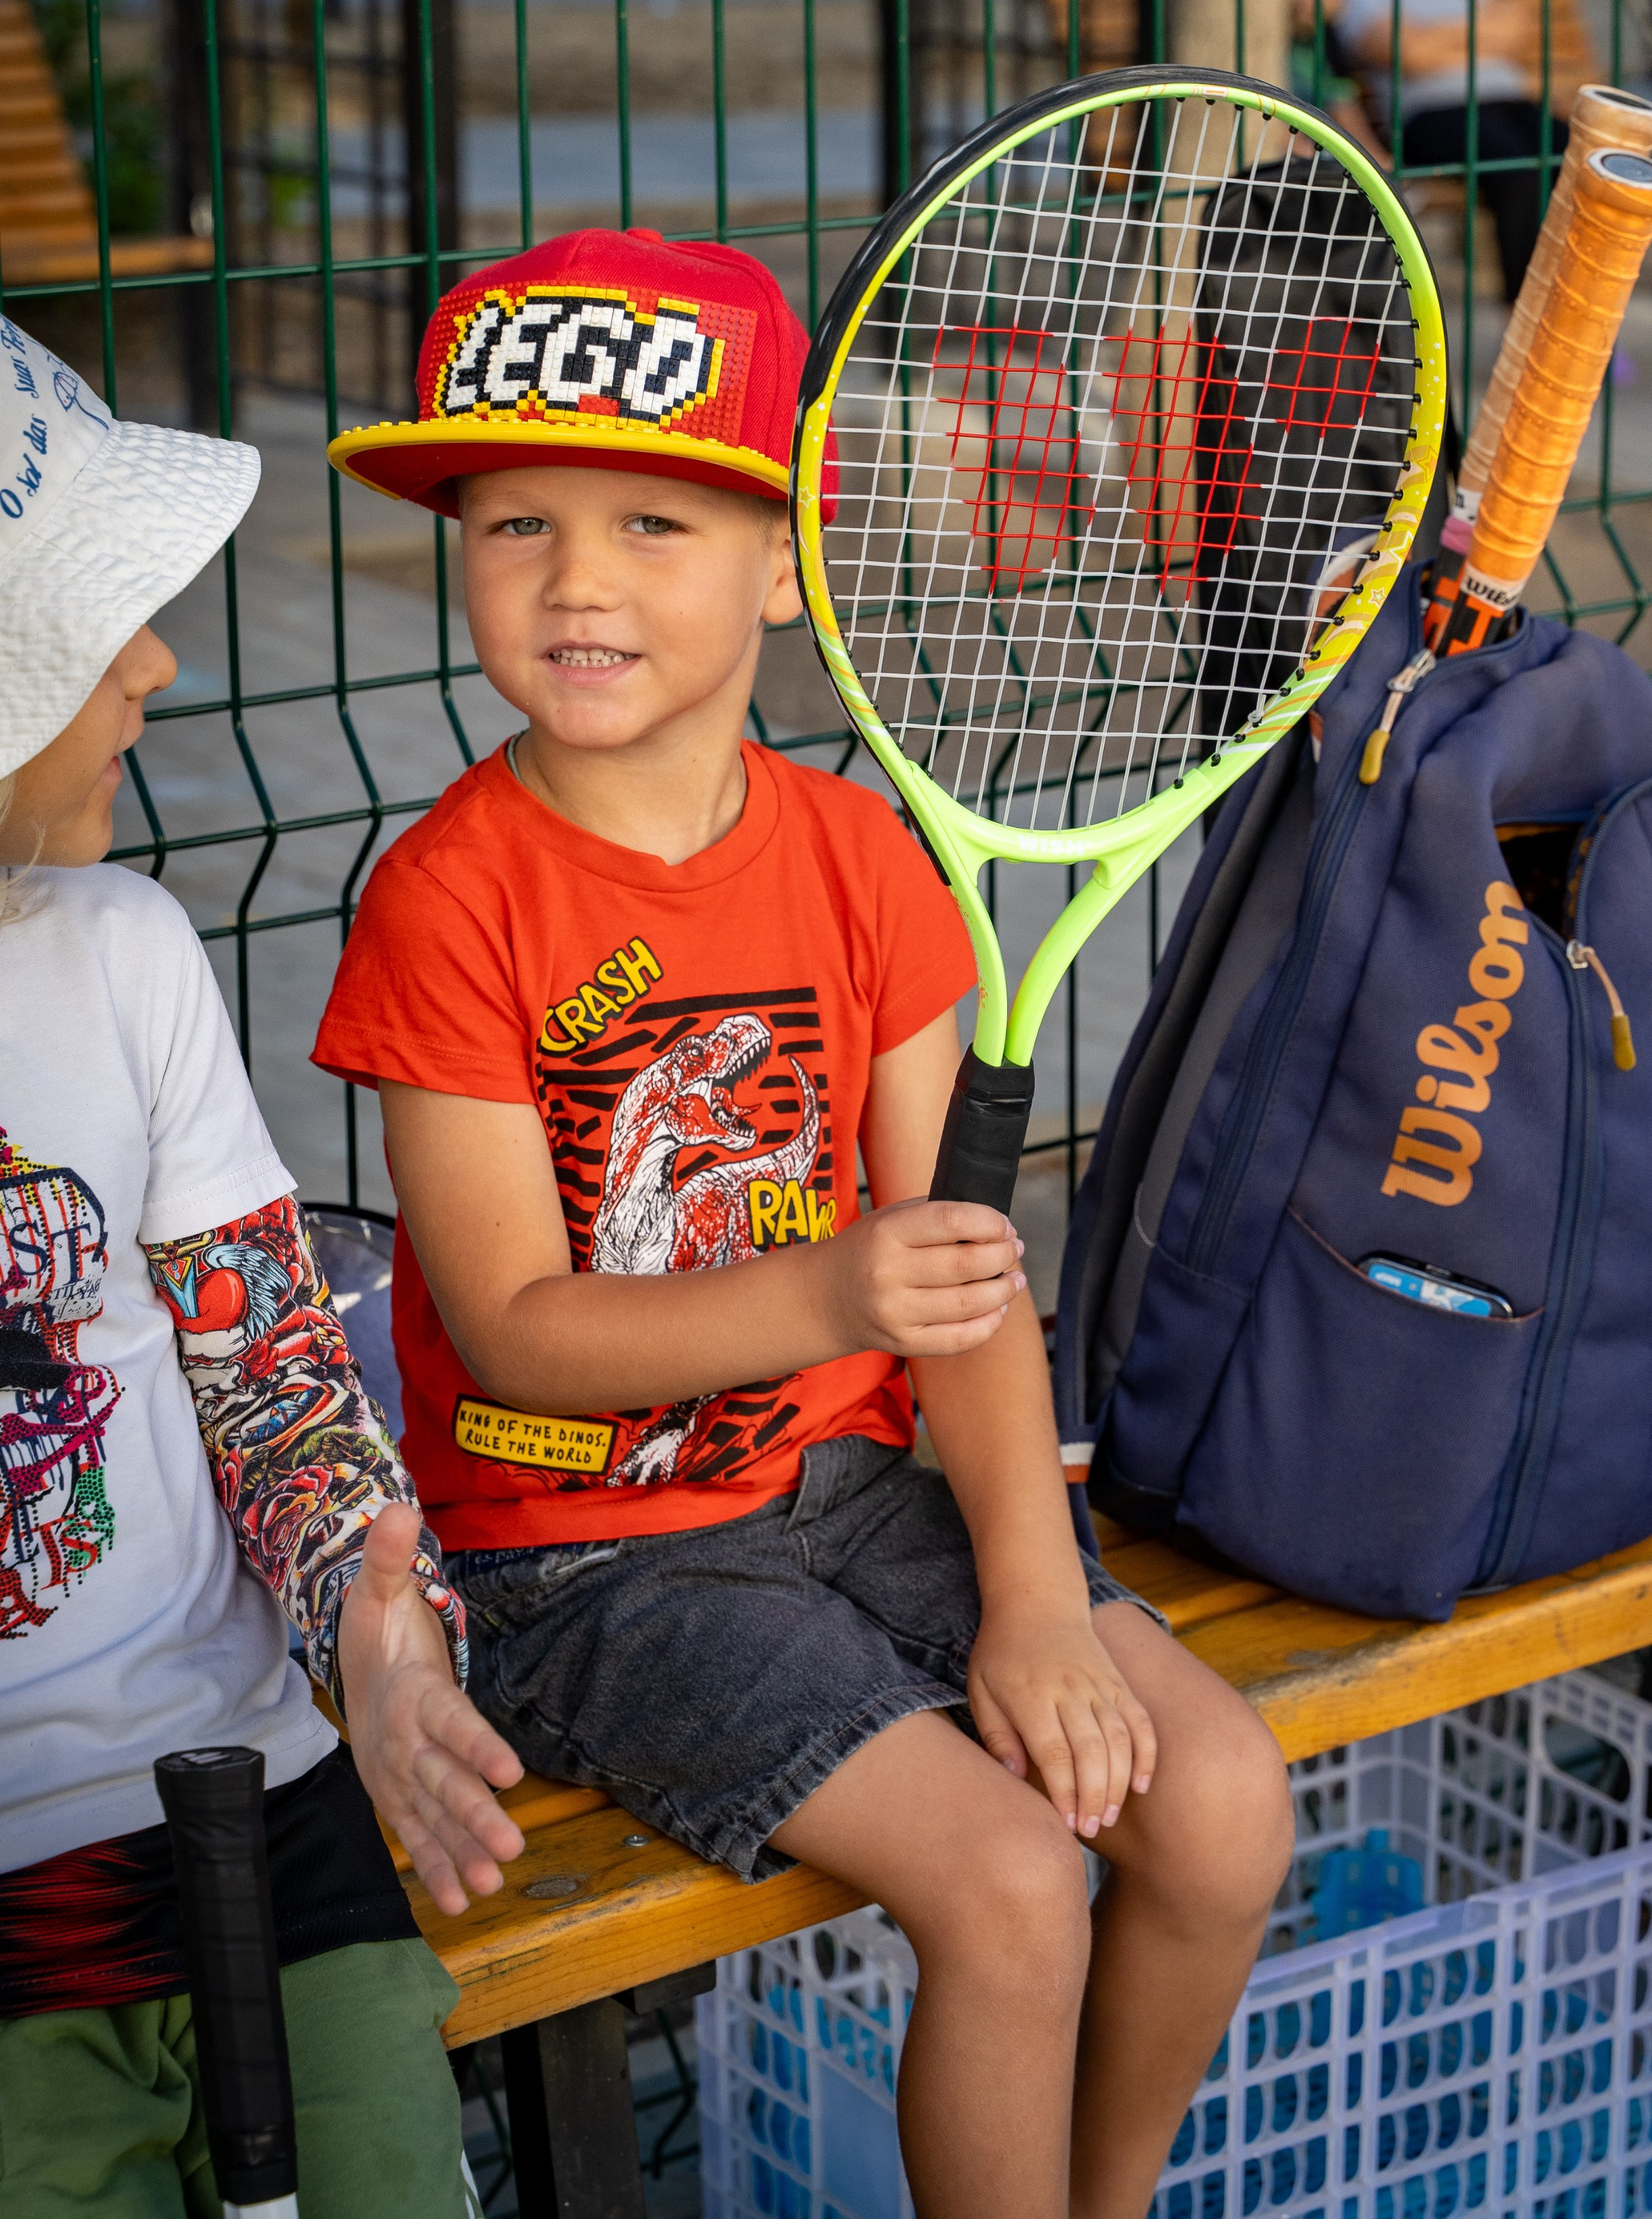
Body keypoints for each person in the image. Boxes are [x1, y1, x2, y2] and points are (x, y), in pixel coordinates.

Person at [311, 228, 1297, 2219]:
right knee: (1015, 1881)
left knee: (1221, 1803)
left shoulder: (855, 856)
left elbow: (964, 1287)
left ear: (782, 563)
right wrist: (833, 1281)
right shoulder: (447, 895)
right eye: (512, 521)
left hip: (845, 1487)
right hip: (582, 1556)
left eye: (652, 519)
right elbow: (509, 1323)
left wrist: (1031, 1590)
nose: (575, 577)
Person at [0, 315, 524, 2217]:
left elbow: (276, 1375)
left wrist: (373, 1642)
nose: (152, 664)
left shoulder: (122, 951)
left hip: (268, 1803)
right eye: (81, 631)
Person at [1329, 0, 1565, 301]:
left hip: (1510, 102)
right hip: (1433, 116)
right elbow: (1405, 53)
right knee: (1517, 168)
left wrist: (1431, 38)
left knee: (1577, 157)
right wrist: (1478, 33)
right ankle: (1529, 307)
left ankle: (1575, 300)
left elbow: (1519, 29)